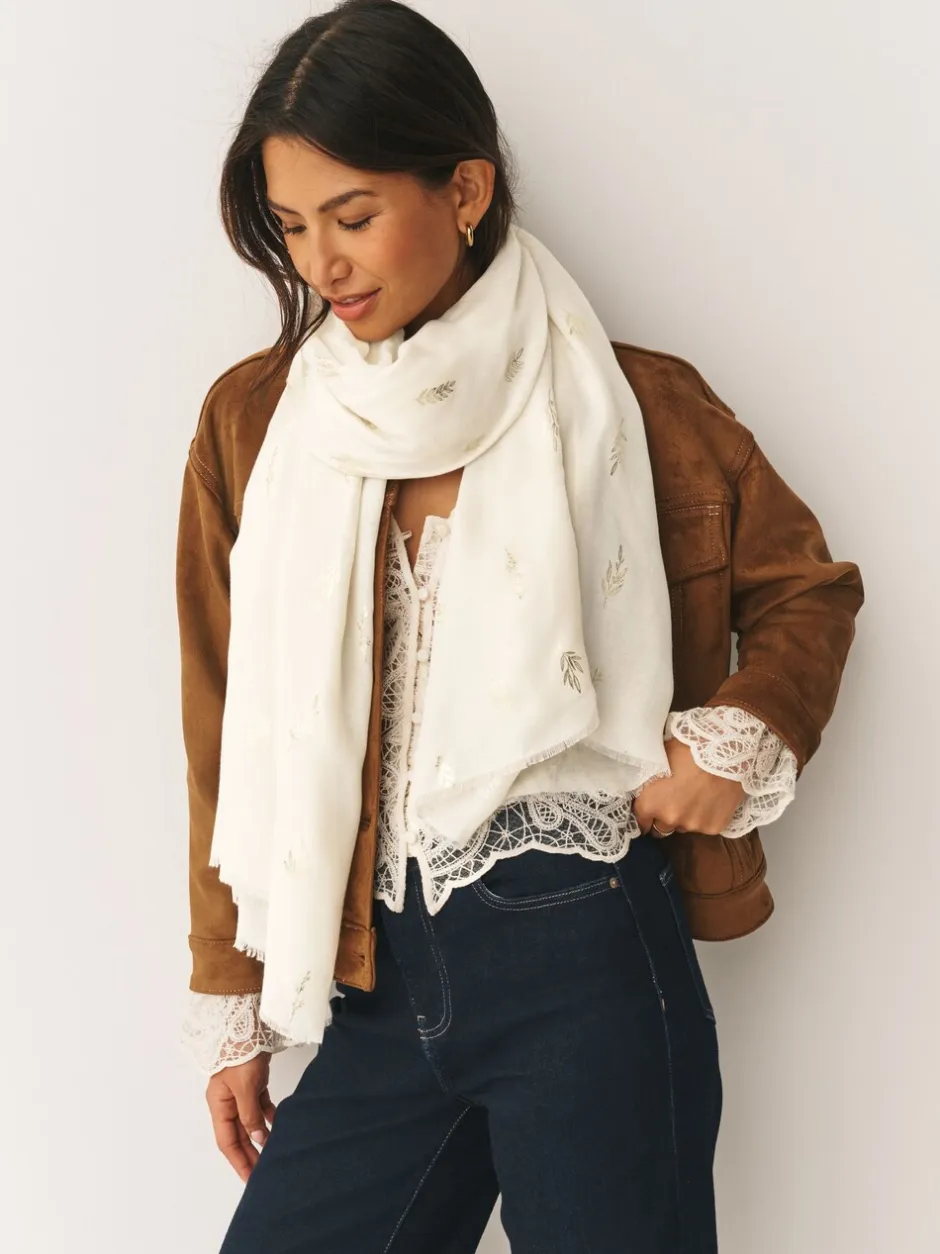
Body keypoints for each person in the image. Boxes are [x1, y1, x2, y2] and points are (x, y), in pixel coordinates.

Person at [174, 2, 864, 1250]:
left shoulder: (632, 400)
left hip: (586, 960)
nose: (321, 265)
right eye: (292, 226)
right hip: (373, 984)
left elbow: (804, 589)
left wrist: (738, 738)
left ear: (465, 189)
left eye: (352, 215)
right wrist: (232, 992)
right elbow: (221, 718)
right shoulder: (259, 423)